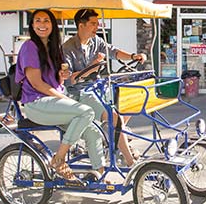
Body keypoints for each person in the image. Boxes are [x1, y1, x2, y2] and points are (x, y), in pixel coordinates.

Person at [15, 9, 104, 182]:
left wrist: (61, 78)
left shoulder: (52, 47)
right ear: (32, 25)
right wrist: (64, 98)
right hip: (36, 103)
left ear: (52, 25)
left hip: (52, 103)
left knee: (94, 131)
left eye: (46, 21)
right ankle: (59, 159)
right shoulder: (30, 47)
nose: (42, 25)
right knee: (86, 111)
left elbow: (56, 81)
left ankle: (99, 175)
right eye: (38, 21)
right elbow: (37, 84)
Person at [62, 9, 146, 166]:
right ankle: (130, 161)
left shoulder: (96, 41)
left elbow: (113, 52)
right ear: (81, 25)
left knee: (131, 103)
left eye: (98, 24)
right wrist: (93, 66)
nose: (97, 27)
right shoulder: (67, 48)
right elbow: (70, 80)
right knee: (114, 117)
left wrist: (133, 56)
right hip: (80, 93)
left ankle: (113, 139)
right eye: (93, 24)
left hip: (99, 87)